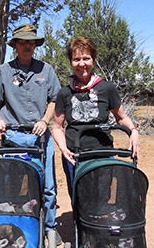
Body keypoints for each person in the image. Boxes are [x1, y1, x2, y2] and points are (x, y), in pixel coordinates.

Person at [0, 23, 62, 244]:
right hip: (13, 138)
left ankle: (49, 228)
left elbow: (54, 99)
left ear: (35, 45)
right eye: (23, 42)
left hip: (40, 138)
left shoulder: (45, 70)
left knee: (47, 187)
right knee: (10, 188)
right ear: (15, 45)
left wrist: (44, 120)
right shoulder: (4, 71)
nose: (27, 46)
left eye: (31, 42)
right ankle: (12, 227)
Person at [52, 36, 140, 196]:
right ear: (71, 62)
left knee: (103, 197)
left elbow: (121, 117)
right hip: (74, 155)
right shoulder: (64, 93)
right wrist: (63, 149)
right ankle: (79, 222)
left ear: (93, 59)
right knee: (79, 198)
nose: (81, 64)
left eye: (86, 58)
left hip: (102, 153)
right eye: (76, 59)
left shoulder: (107, 88)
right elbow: (57, 127)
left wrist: (133, 131)